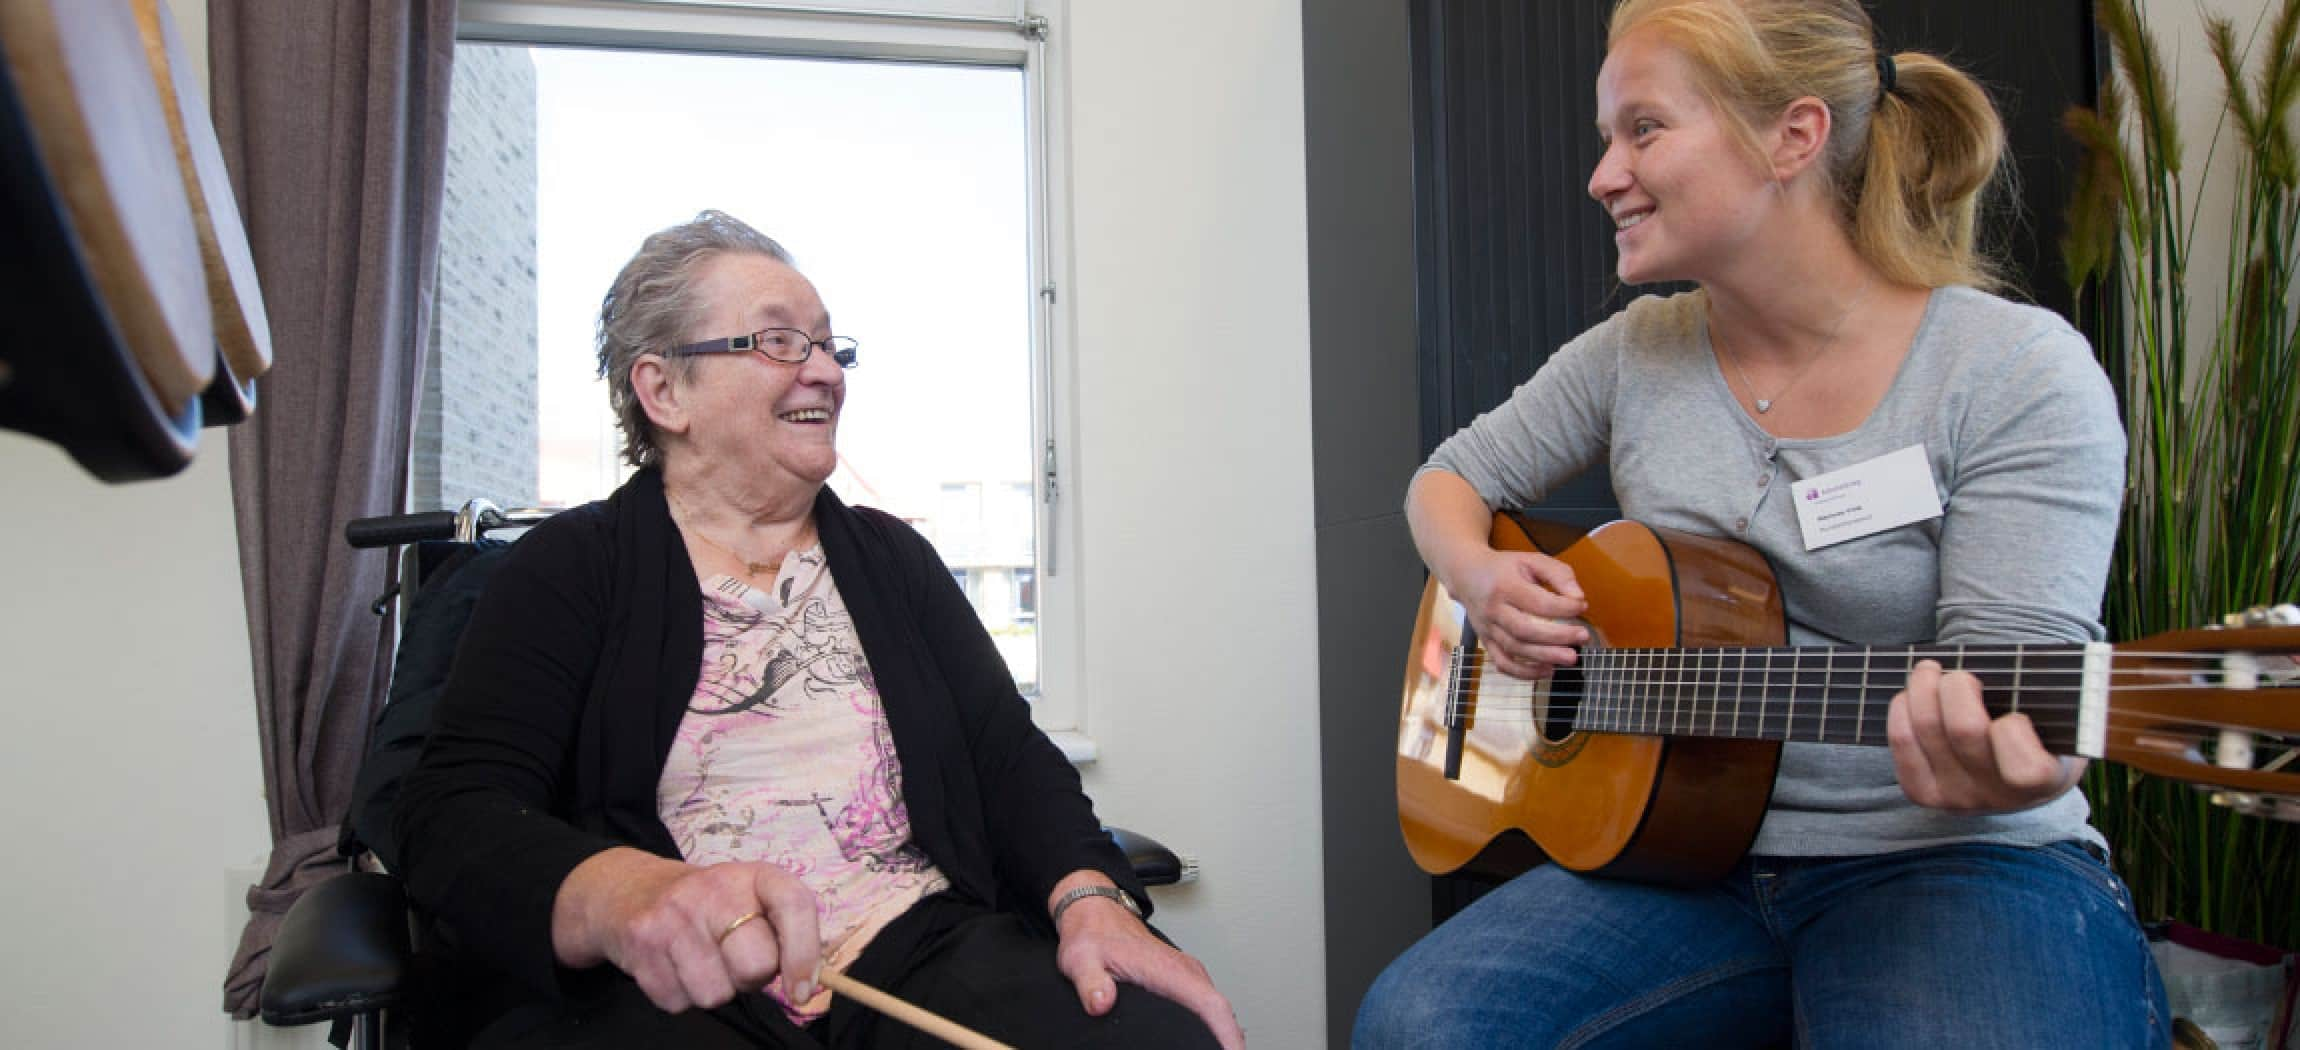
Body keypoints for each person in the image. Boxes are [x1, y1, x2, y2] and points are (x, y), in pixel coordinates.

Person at [1352, 1, 2167, 1047]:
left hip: (1956, 862)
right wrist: (1476, 576)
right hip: (1686, 860)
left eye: (1641, 130)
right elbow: (1446, 479)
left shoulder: (2010, 371)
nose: (1602, 174)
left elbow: (2022, 691)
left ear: (1791, 136)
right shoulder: (1634, 351)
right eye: (1608, 138)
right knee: (1416, 1025)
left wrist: (2018, 759)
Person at [392, 210, 1242, 1049]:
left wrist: (1090, 900)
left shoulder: (893, 560)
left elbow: (1010, 760)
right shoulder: (570, 567)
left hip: (916, 946)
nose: (826, 371)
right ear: (664, 391)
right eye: (778, 342)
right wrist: (622, 894)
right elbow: (453, 813)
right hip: (681, 990)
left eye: (830, 345)